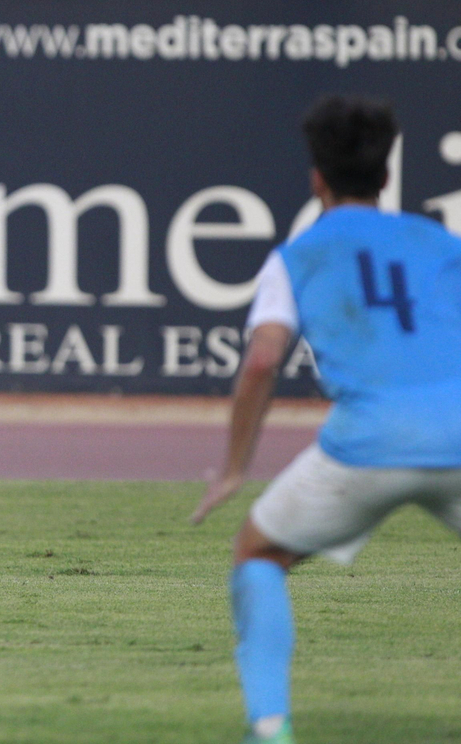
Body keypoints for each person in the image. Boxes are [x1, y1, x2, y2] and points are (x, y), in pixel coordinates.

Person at [190, 95, 461, 744]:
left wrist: (233, 470)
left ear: (316, 179)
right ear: (388, 178)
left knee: (259, 551)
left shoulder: (297, 255)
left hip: (366, 446)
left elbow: (261, 362)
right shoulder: (442, 244)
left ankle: (271, 727)